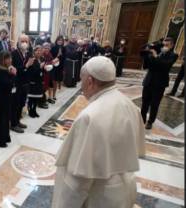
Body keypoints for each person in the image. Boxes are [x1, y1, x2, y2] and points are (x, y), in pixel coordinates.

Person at [52, 56, 145, 208]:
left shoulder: (90, 117)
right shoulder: (130, 105)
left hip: (100, 198)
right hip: (124, 190)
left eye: (81, 80)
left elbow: (78, 180)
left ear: (90, 81)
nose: (81, 85)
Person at [141, 37, 178, 129]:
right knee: (144, 102)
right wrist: (149, 53)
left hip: (160, 83)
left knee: (154, 104)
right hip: (148, 81)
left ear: (172, 46)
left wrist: (155, 56)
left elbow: (165, 66)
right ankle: (142, 119)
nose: (164, 46)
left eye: (167, 45)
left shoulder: (173, 55)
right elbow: (146, 65)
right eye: (163, 44)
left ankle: (150, 121)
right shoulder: (156, 51)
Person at [0, 51, 17, 148]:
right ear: (3, 60)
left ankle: (5, 137)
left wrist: (12, 74)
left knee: (6, 118)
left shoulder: (6, 69)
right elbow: (8, 85)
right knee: (1, 119)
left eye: (10, 58)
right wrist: (13, 75)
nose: (10, 60)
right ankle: (0, 141)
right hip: (1, 99)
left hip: (5, 97)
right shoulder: (1, 71)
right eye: (7, 58)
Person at [11, 34, 32, 133]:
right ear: (18, 42)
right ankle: (13, 124)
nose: (24, 43)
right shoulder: (14, 53)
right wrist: (26, 66)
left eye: (26, 41)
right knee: (15, 103)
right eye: (22, 41)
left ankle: (18, 121)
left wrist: (30, 66)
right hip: (17, 82)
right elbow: (14, 69)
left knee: (22, 103)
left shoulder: (28, 53)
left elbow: (29, 68)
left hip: (25, 82)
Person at [27, 46, 44, 118]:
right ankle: (30, 111)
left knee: (36, 98)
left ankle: (34, 110)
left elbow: (41, 71)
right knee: (31, 98)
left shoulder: (41, 59)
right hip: (33, 82)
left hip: (39, 82)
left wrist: (44, 68)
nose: (39, 52)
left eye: (40, 51)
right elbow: (32, 72)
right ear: (34, 52)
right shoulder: (32, 60)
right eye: (37, 51)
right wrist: (40, 67)